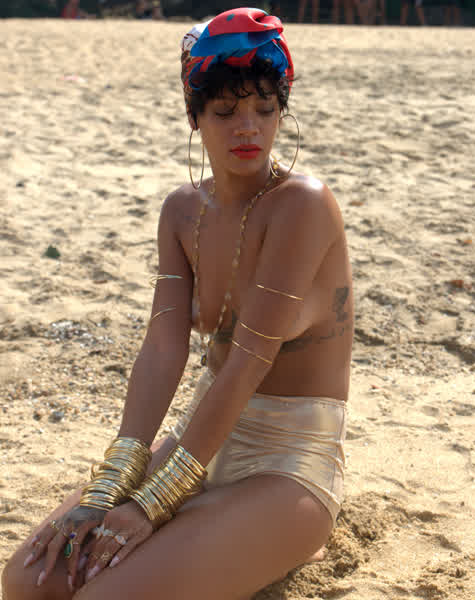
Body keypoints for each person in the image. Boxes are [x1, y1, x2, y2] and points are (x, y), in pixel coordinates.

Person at [2, 7, 353, 600]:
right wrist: (110, 487)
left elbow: (247, 363)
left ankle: (285, 535)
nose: (248, 128)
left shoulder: (303, 205)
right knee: (25, 582)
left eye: (264, 108)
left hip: (288, 464)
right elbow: (163, 351)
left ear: (281, 112)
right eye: (225, 112)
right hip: (198, 442)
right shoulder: (182, 211)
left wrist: (153, 502)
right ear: (194, 117)